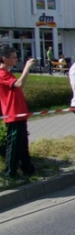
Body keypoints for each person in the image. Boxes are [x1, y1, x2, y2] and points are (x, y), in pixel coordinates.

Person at [0, 46, 37, 179]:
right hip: (13, 114)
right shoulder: (2, 74)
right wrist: (27, 67)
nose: (16, 59)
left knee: (22, 144)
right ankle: (10, 173)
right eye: (14, 57)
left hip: (19, 113)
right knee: (14, 145)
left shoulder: (8, 73)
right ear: (5, 59)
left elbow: (21, 83)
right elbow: (19, 84)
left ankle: (28, 169)